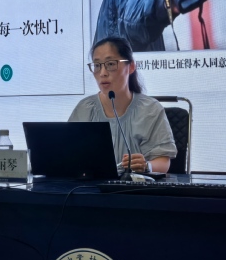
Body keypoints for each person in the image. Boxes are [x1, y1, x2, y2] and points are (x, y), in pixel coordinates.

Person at [68, 36, 176, 173]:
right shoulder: (85, 108)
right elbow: (68, 154)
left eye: (110, 64)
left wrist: (146, 166)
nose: (102, 73)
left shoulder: (150, 109)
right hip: (93, 185)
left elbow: (163, 161)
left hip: (135, 185)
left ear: (131, 67)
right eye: (97, 65)